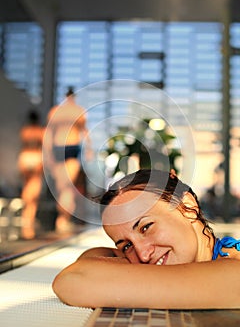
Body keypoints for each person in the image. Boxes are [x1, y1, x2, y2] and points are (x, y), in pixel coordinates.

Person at [52, 168, 240, 309]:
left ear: (187, 205)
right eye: (126, 246)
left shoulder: (234, 271)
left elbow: (75, 279)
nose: (142, 254)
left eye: (146, 227)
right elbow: (89, 261)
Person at [44, 88, 92, 233]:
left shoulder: (56, 111)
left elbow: (48, 135)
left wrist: (48, 154)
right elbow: (85, 132)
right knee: (66, 187)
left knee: (63, 187)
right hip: (68, 147)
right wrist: (89, 149)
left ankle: (63, 217)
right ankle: (63, 218)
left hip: (61, 148)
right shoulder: (77, 111)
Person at [18, 110, 45, 239]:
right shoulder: (41, 131)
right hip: (35, 157)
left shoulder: (25, 131)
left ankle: (26, 219)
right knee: (34, 193)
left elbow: (23, 146)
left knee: (27, 188)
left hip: (25, 157)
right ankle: (28, 221)